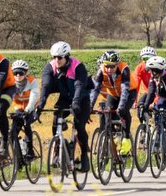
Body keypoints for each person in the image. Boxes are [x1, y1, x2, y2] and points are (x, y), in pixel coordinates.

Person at [37, 41, 92, 171]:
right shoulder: (50, 68)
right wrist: (40, 106)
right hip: (65, 97)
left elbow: (79, 86)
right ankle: (57, 148)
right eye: (54, 57)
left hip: (81, 98)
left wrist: (76, 103)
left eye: (60, 57)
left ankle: (84, 156)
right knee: (57, 117)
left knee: (79, 125)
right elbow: (45, 87)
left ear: (67, 56)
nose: (57, 60)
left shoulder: (78, 66)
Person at [89, 50, 132, 135]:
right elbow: (95, 90)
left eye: (112, 67)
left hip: (129, 92)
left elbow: (124, 90)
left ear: (117, 64)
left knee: (123, 111)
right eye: (107, 66)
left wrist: (121, 107)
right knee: (107, 113)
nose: (109, 69)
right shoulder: (101, 71)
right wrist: (89, 107)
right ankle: (110, 138)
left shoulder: (124, 69)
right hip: (113, 94)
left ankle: (126, 139)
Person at [7, 59, 40, 160]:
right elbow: (6, 96)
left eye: (20, 73)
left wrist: (28, 110)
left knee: (26, 123)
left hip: (32, 108)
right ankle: (17, 154)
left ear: (26, 73)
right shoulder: (10, 82)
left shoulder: (32, 81)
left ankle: (30, 151)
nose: (18, 75)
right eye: (15, 73)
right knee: (13, 131)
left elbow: (34, 96)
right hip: (19, 108)